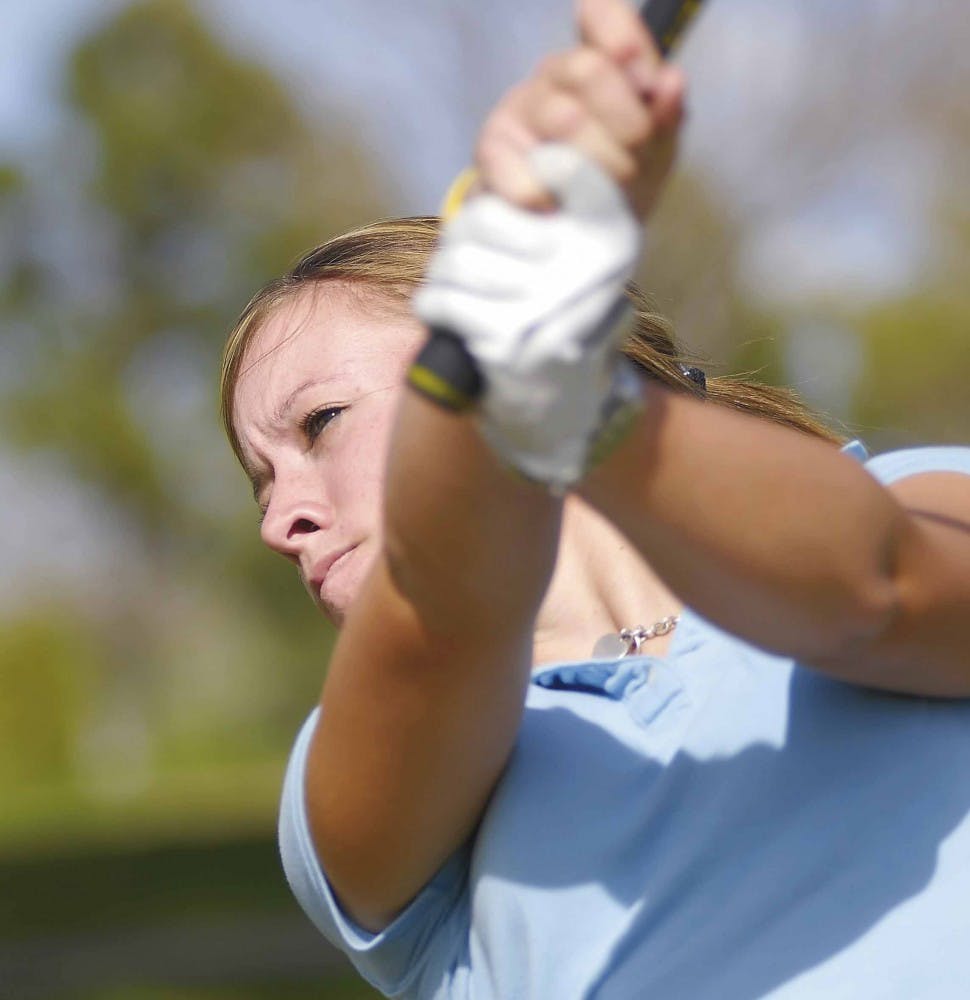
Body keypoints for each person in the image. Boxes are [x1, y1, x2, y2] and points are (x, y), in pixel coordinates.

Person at [221, 0, 970, 996]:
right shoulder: (343, 771)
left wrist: (548, 373)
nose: (278, 523)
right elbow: (452, 602)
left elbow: (877, 589)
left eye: (317, 424)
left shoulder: (910, 492)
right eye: (260, 481)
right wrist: (519, 363)